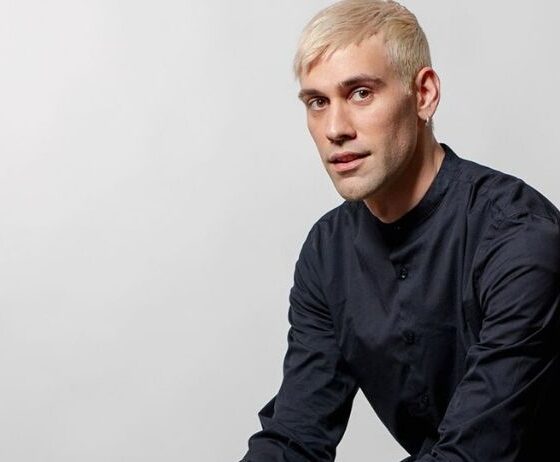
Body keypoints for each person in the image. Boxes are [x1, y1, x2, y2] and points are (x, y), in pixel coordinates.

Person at [240, 1, 560, 461]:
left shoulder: (519, 236)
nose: (335, 129)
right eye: (317, 102)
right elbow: (296, 436)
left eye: (360, 93)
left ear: (424, 95)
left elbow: (475, 453)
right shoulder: (327, 251)